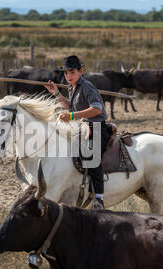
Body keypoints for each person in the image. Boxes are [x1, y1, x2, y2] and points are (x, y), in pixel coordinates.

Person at [44, 55, 110, 210]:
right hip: (81, 126)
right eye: (66, 73)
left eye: (72, 72)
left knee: (91, 155)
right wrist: (56, 94)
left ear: (81, 71)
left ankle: (99, 198)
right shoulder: (71, 87)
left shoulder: (87, 87)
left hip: (96, 126)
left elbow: (97, 109)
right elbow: (72, 106)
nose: (68, 76)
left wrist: (72, 116)